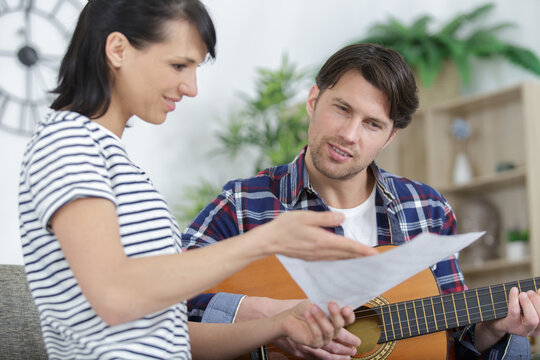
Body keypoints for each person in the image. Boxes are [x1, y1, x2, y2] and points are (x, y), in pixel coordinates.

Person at [17, 2, 379, 359]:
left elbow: (168, 336)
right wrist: (264, 240)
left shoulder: (112, 159)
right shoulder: (68, 143)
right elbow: (116, 296)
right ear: (118, 49)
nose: (191, 87)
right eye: (179, 65)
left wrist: (280, 325)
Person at [182, 43, 540, 359]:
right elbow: (164, 303)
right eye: (341, 109)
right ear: (313, 101)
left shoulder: (428, 209)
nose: (349, 135)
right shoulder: (244, 203)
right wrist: (267, 316)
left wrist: (493, 330)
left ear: (389, 137)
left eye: (372, 124)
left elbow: (453, 338)